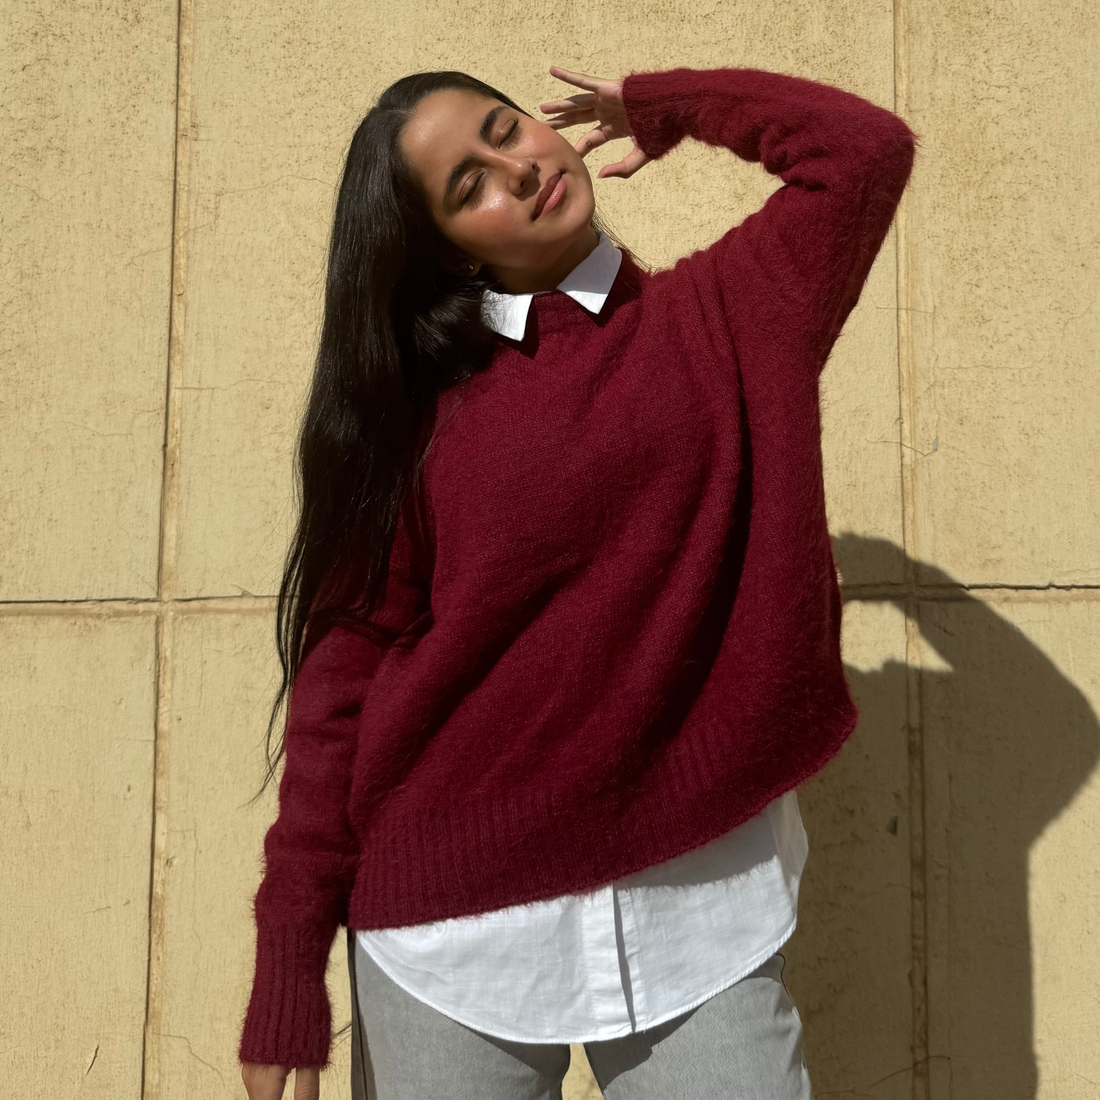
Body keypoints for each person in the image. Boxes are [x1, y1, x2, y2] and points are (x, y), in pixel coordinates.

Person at [238, 61, 918, 1100]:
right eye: (469, 187)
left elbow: (862, 154)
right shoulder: (416, 420)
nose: (517, 168)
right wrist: (289, 957)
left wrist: (675, 105)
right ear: (445, 251)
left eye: (506, 131)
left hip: (698, 902)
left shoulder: (732, 313)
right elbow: (340, 685)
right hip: (450, 929)